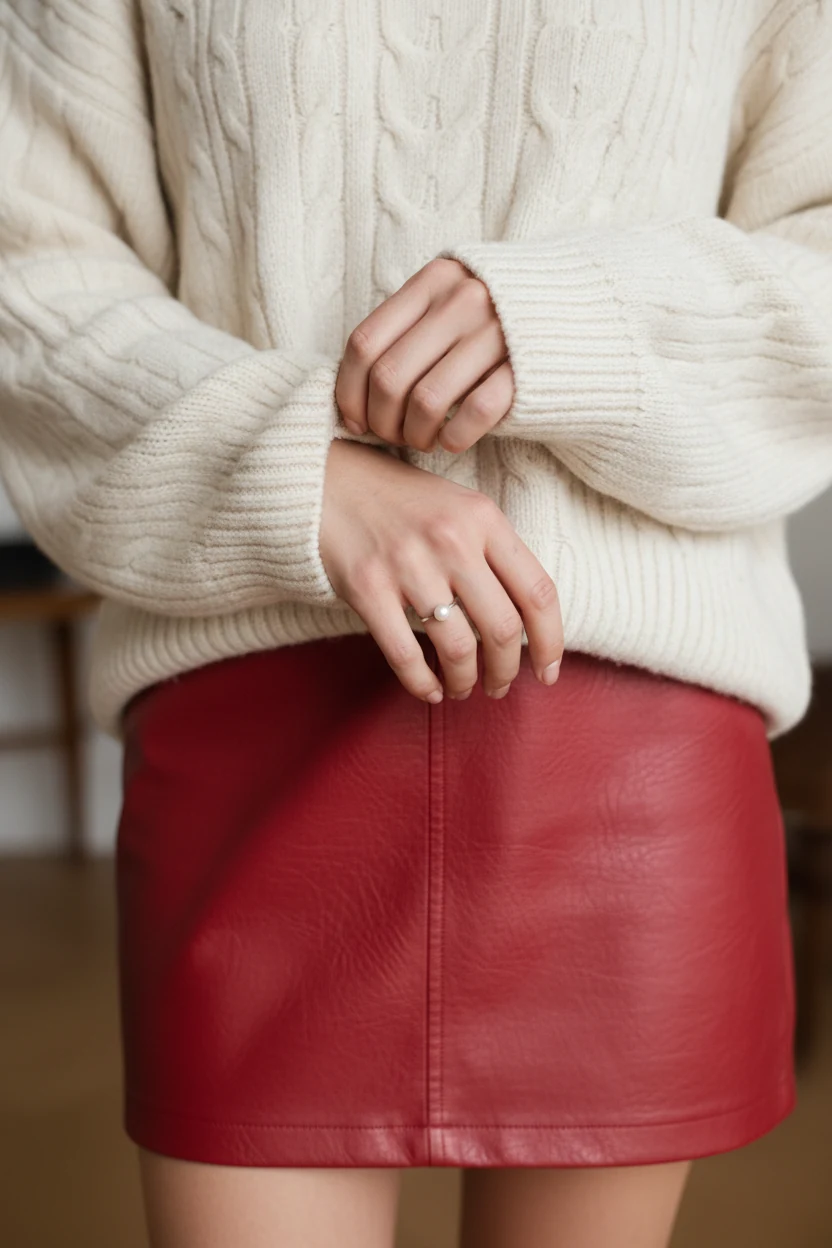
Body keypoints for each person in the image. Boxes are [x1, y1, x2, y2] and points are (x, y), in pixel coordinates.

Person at [1, 1, 831, 1245]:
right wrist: (296, 467)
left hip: (625, 738)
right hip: (251, 707)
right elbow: (29, 262)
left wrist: (571, 321)